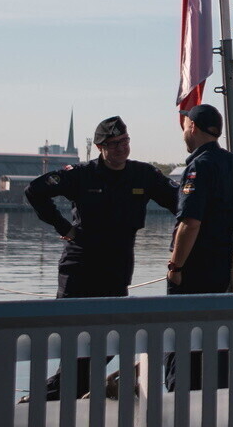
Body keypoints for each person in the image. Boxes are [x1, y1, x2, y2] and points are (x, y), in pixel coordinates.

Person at [25, 116, 176, 398]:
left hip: (116, 270)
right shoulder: (81, 175)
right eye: (114, 144)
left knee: (109, 343)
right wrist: (63, 227)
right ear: (100, 147)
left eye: (125, 141)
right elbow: (35, 191)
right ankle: (49, 401)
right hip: (80, 270)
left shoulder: (143, 175)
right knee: (75, 346)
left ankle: (48, 398)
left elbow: (181, 203)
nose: (121, 148)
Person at [166, 103, 233, 391]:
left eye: (185, 125)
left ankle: (179, 401)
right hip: (220, 268)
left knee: (181, 339)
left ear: (192, 127)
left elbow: (190, 223)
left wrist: (175, 267)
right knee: (209, 337)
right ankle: (207, 400)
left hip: (193, 271)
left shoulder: (199, 166)